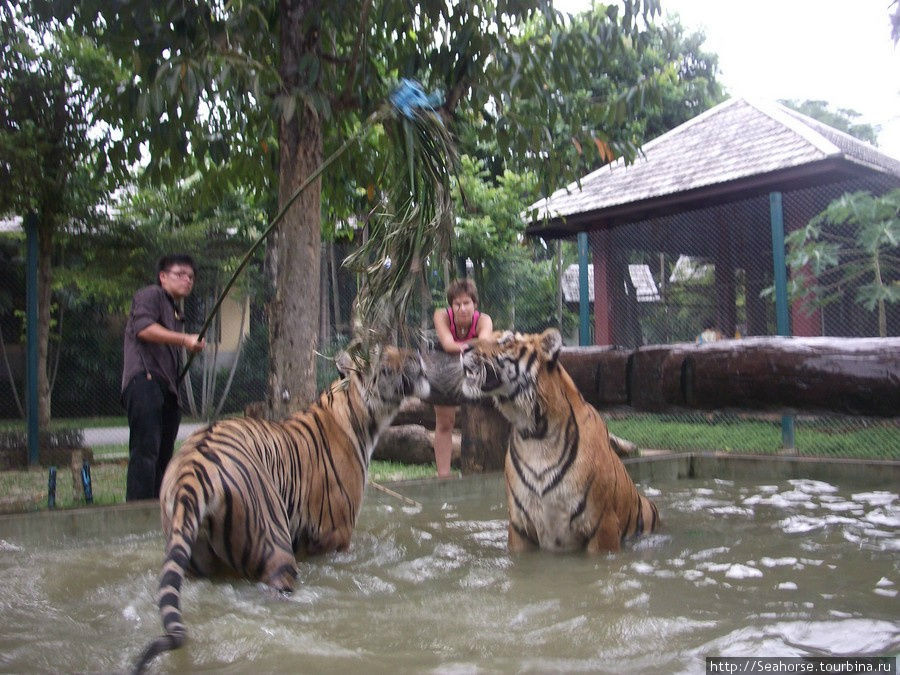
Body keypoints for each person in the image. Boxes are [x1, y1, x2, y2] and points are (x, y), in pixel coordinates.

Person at [121, 254, 205, 501]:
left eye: (191, 277)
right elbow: (144, 329)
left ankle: (157, 510)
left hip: (167, 390)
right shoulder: (151, 295)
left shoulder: (174, 311)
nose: (187, 280)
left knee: (163, 457)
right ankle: (136, 513)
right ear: (163, 277)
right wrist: (185, 339)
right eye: (180, 274)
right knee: (146, 451)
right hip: (145, 381)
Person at [432, 278, 493, 478]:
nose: (462, 308)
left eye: (467, 303)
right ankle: (444, 478)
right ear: (451, 306)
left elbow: (484, 345)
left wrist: (472, 346)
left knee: (484, 418)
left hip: (475, 369)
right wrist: (472, 344)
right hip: (444, 366)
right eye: (457, 304)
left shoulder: (484, 320)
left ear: (475, 304)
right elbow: (449, 345)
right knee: (445, 422)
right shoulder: (441, 316)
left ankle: (486, 473)